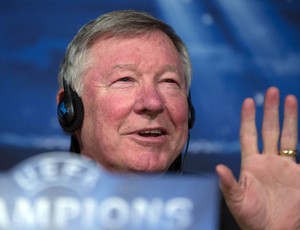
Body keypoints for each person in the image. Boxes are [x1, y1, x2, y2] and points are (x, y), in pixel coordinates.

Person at [56, 10, 300, 229]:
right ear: (70, 108)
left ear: (189, 109)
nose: (152, 103)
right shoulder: (25, 208)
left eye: (169, 82)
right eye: (125, 80)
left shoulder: (234, 214)